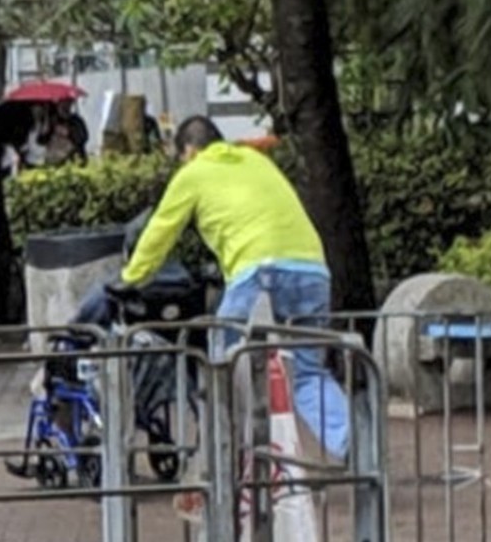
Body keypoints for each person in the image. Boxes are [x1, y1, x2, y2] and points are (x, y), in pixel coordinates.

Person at [112, 115, 349, 460]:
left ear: (189, 150)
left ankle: (221, 459)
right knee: (309, 372)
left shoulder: (193, 174)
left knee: (222, 363)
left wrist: (130, 278)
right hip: (311, 270)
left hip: (257, 272)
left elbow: (160, 231)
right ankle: (352, 445)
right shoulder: (258, 161)